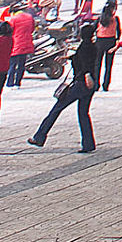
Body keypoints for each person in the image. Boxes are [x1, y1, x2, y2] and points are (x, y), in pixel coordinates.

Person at [29, 20, 103, 152]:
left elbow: (85, 63)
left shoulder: (85, 47)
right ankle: (88, 144)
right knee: (83, 113)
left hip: (81, 83)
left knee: (57, 109)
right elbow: (82, 59)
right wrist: (68, 58)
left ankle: (40, 136)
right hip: (88, 85)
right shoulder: (92, 46)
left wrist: (86, 75)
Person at [3, 1, 37, 87]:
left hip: (15, 44)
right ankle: (18, 83)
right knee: (21, 65)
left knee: (12, 65)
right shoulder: (30, 17)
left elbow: (9, 32)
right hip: (27, 43)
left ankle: (10, 83)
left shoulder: (13, 19)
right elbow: (32, 29)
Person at [95, 0, 122, 94]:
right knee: (108, 64)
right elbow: (119, 32)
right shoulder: (115, 19)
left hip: (99, 41)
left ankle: (96, 84)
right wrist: (117, 40)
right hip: (111, 41)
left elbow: (93, 29)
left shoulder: (99, 19)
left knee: (97, 64)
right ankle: (105, 85)